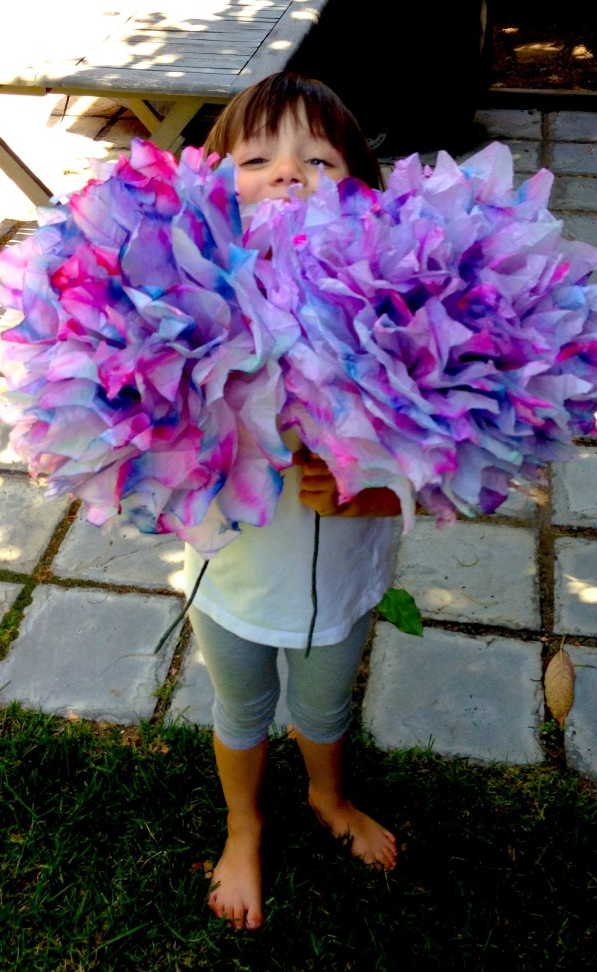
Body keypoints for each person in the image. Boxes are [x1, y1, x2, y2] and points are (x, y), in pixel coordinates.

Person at [183, 72, 403, 932]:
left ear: (363, 195)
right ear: (209, 188)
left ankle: (326, 796)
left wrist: (375, 493)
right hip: (230, 583)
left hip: (340, 585)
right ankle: (245, 823)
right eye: (256, 157)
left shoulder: (391, 313)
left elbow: (442, 463)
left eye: (317, 157)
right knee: (240, 708)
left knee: (322, 707)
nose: (286, 172)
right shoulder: (191, 307)